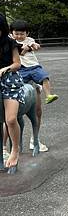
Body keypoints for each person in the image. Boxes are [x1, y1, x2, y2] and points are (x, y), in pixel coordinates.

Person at [10, 20, 58, 105]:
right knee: (18, 84)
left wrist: (34, 46)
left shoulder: (29, 40)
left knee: (44, 77)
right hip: (20, 68)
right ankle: (20, 100)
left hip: (33, 66)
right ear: (12, 33)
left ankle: (48, 95)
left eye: (22, 34)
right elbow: (20, 52)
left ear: (27, 33)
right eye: (16, 34)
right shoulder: (11, 41)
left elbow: (35, 45)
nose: (19, 36)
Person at [0, 13, 25, 169]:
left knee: (10, 119)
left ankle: (15, 149)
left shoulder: (10, 43)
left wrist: (6, 68)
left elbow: (17, 64)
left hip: (9, 82)